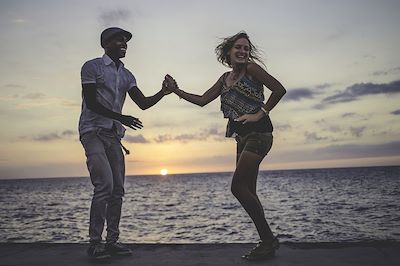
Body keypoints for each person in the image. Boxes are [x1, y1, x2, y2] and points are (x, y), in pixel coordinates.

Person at [165, 31, 286, 260]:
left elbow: (279, 89)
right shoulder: (224, 79)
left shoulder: (252, 70)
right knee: (248, 189)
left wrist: (260, 114)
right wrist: (175, 90)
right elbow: (202, 100)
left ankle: (268, 239)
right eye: (238, 48)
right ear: (228, 52)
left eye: (246, 49)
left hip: (259, 133)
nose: (243, 52)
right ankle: (266, 241)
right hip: (241, 137)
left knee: (237, 188)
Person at [79, 27, 171, 259]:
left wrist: (164, 92)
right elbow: (91, 103)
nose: (124, 43)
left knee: (118, 190)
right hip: (92, 132)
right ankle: (95, 243)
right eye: (118, 39)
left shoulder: (127, 75)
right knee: (105, 187)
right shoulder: (92, 67)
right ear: (105, 44)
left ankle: (112, 241)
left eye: (126, 41)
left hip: (113, 136)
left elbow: (143, 103)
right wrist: (122, 118)